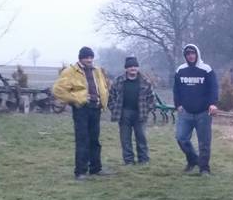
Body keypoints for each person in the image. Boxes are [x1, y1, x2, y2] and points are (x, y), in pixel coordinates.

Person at [52, 46, 111, 180]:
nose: (89, 60)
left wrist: (104, 99)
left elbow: (103, 86)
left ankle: (96, 169)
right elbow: (58, 90)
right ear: (81, 58)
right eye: (86, 57)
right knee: (82, 140)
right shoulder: (70, 72)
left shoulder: (97, 71)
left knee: (95, 140)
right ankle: (80, 172)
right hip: (81, 110)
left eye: (91, 57)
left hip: (96, 109)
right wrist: (77, 99)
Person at [173, 44, 219, 175]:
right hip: (185, 112)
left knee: (204, 142)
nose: (190, 56)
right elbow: (176, 89)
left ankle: (204, 168)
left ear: (197, 54)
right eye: (188, 54)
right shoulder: (180, 70)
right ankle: (193, 160)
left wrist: (213, 103)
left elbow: (213, 88)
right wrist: (178, 105)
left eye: (193, 53)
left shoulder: (206, 69)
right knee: (181, 138)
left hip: (203, 112)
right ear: (185, 56)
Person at [108, 56, 155, 165]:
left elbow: (151, 98)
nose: (133, 68)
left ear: (138, 68)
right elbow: (111, 97)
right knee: (125, 139)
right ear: (126, 68)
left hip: (140, 113)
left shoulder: (145, 81)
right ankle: (128, 161)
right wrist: (114, 108)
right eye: (130, 66)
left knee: (141, 137)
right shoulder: (118, 81)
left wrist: (147, 109)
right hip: (124, 113)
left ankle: (143, 160)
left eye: (135, 66)